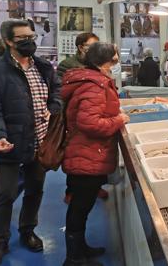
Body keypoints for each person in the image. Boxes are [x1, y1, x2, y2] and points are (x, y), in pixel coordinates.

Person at [0, 19, 61, 264]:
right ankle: (0, 241)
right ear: (9, 41)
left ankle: (27, 231)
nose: (30, 41)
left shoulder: (43, 66)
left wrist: (53, 107)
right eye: (22, 39)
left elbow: (57, 92)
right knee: (5, 194)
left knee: (35, 190)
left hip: (39, 141)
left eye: (32, 36)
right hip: (10, 142)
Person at [61, 42, 129, 266]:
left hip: (88, 153)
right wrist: (118, 120)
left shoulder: (93, 79)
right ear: (106, 61)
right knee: (80, 207)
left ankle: (80, 249)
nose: (116, 63)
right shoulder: (94, 85)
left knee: (83, 205)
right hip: (86, 154)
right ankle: (74, 258)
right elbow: (89, 123)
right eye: (114, 59)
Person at [57, 32, 108, 204]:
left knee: (94, 153)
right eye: (92, 46)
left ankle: (96, 186)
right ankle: (71, 191)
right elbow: (61, 92)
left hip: (94, 113)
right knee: (76, 155)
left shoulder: (98, 64)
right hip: (74, 117)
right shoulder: (67, 65)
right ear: (81, 47)